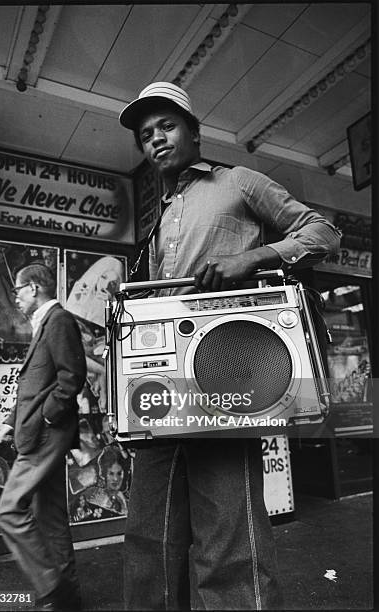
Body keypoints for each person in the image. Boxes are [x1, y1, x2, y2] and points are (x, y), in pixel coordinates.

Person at [119, 82, 341, 610]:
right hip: (163, 392)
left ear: (195, 133)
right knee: (150, 536)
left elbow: (323, 232)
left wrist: (255, 257)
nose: (156, 139)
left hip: (228, 377)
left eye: (167, 126)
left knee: (227, 535)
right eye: (146, 135)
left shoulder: (238, 182)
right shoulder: (161, 214)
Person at [0, 263, 86, 611]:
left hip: (45, 434)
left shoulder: (59, 321)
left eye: (17, 290)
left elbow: (70, 377)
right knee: (50, 516)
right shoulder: (46, 322)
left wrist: (46, 417)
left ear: (33, 288)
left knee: (8, 511)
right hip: (39, 430)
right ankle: (69, 598)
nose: (15, 298)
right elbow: (36, 383)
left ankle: (51, 589)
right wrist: (10, 420)